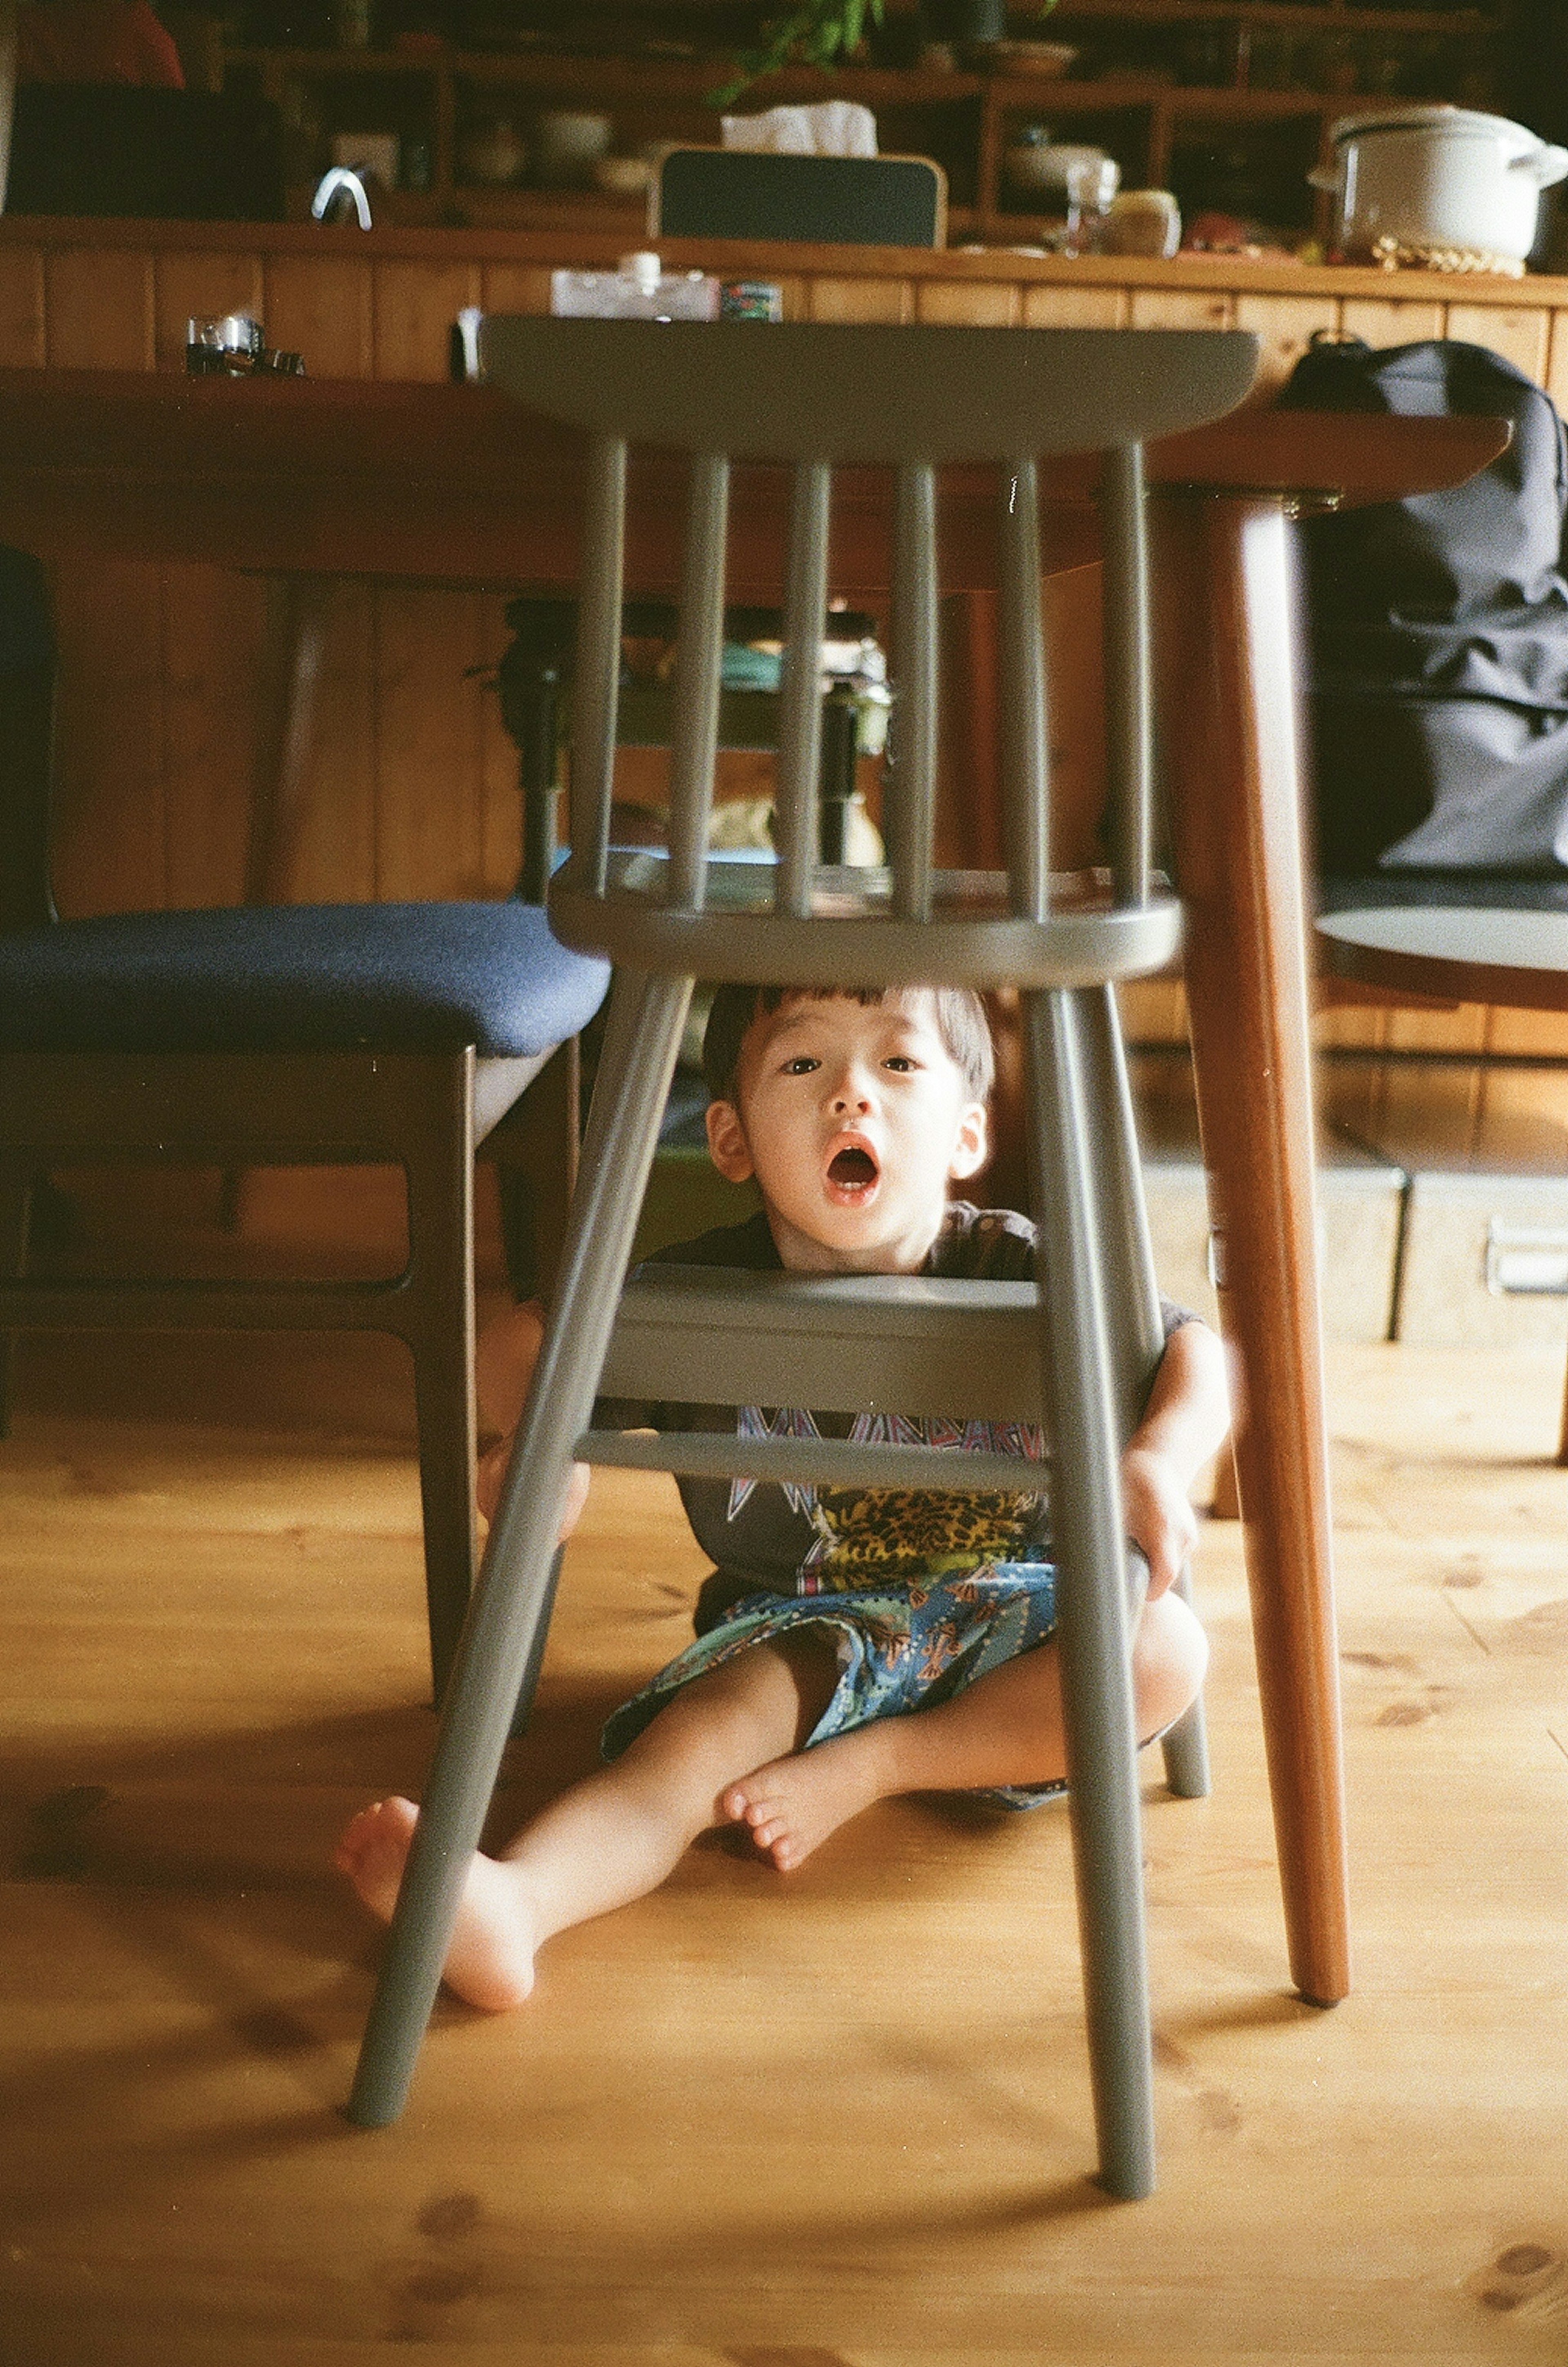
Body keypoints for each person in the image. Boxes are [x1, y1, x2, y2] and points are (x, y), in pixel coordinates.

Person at [336, 984, 1230, 2013]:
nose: (853, 1094)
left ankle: (882, 1765)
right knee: (684, 1759)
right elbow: (529, 1340)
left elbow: (1188, 1352)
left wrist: (1159, 1456)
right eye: (804, 1067)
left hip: (1019, 1612)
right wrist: (532, 1432)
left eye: (898, 1066)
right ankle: (517, 1906)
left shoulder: (1014, 1264)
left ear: (967, 1134)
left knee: (1166, 1652)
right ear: (732, 1138)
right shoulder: (702, 1291)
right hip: (798, 1631)